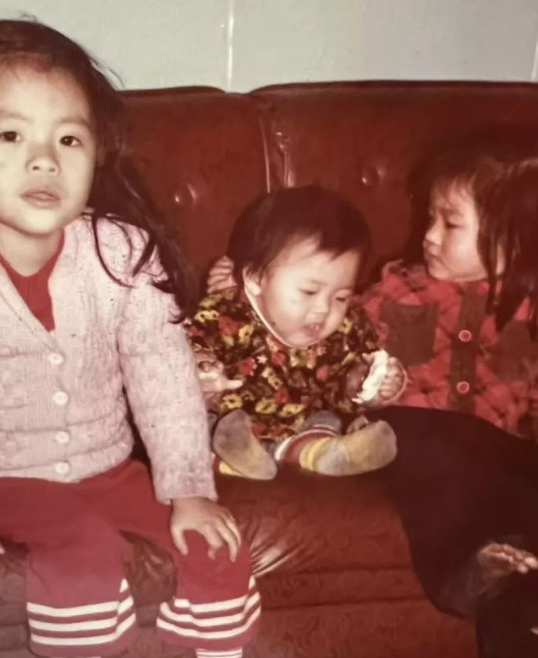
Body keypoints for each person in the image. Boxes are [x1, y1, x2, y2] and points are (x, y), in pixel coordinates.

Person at [0, 19, 259, 658]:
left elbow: (164, 378)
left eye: (69, 138)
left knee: (217, 549)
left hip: (105, 470)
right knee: (83, 558)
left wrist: (189, 490)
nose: (44, 159)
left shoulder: (121, 255)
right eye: (10, 135)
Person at [205, 136, 538, 657]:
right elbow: (319, 340)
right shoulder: (396, 290)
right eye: (429, 217)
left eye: (450, 224)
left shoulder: (529, 308)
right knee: (421, 450)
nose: (428, 235)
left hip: (504, 451)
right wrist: (244, 296)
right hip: (420, 439)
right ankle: (485, 581)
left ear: (514, 237)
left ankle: (517, 589)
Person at [186, 186, 405, 480]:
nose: (324, 309)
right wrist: (201, 370)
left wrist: (365, 383)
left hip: (300, 424)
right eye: (309, 291)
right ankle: (232, 459)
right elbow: (190, 344)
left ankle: (323, 454)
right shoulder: (226, 314)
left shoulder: (348, 326)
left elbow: (350, 376)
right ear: (255, 279)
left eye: (341, 296)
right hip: (228, 423)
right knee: (197, 429)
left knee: (326, 421)